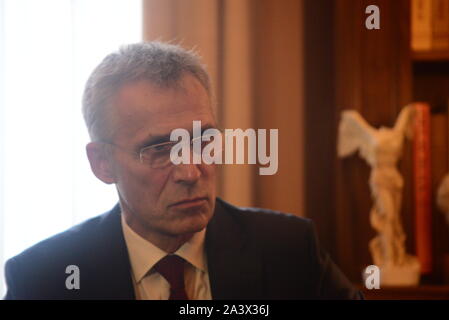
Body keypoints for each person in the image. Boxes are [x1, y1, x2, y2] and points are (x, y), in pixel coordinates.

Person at [4, 42, 362, 300]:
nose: (191, 171)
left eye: (203, 141)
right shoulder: (45, 277)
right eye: (159, 150)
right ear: (102, 164)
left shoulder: (289, 251)